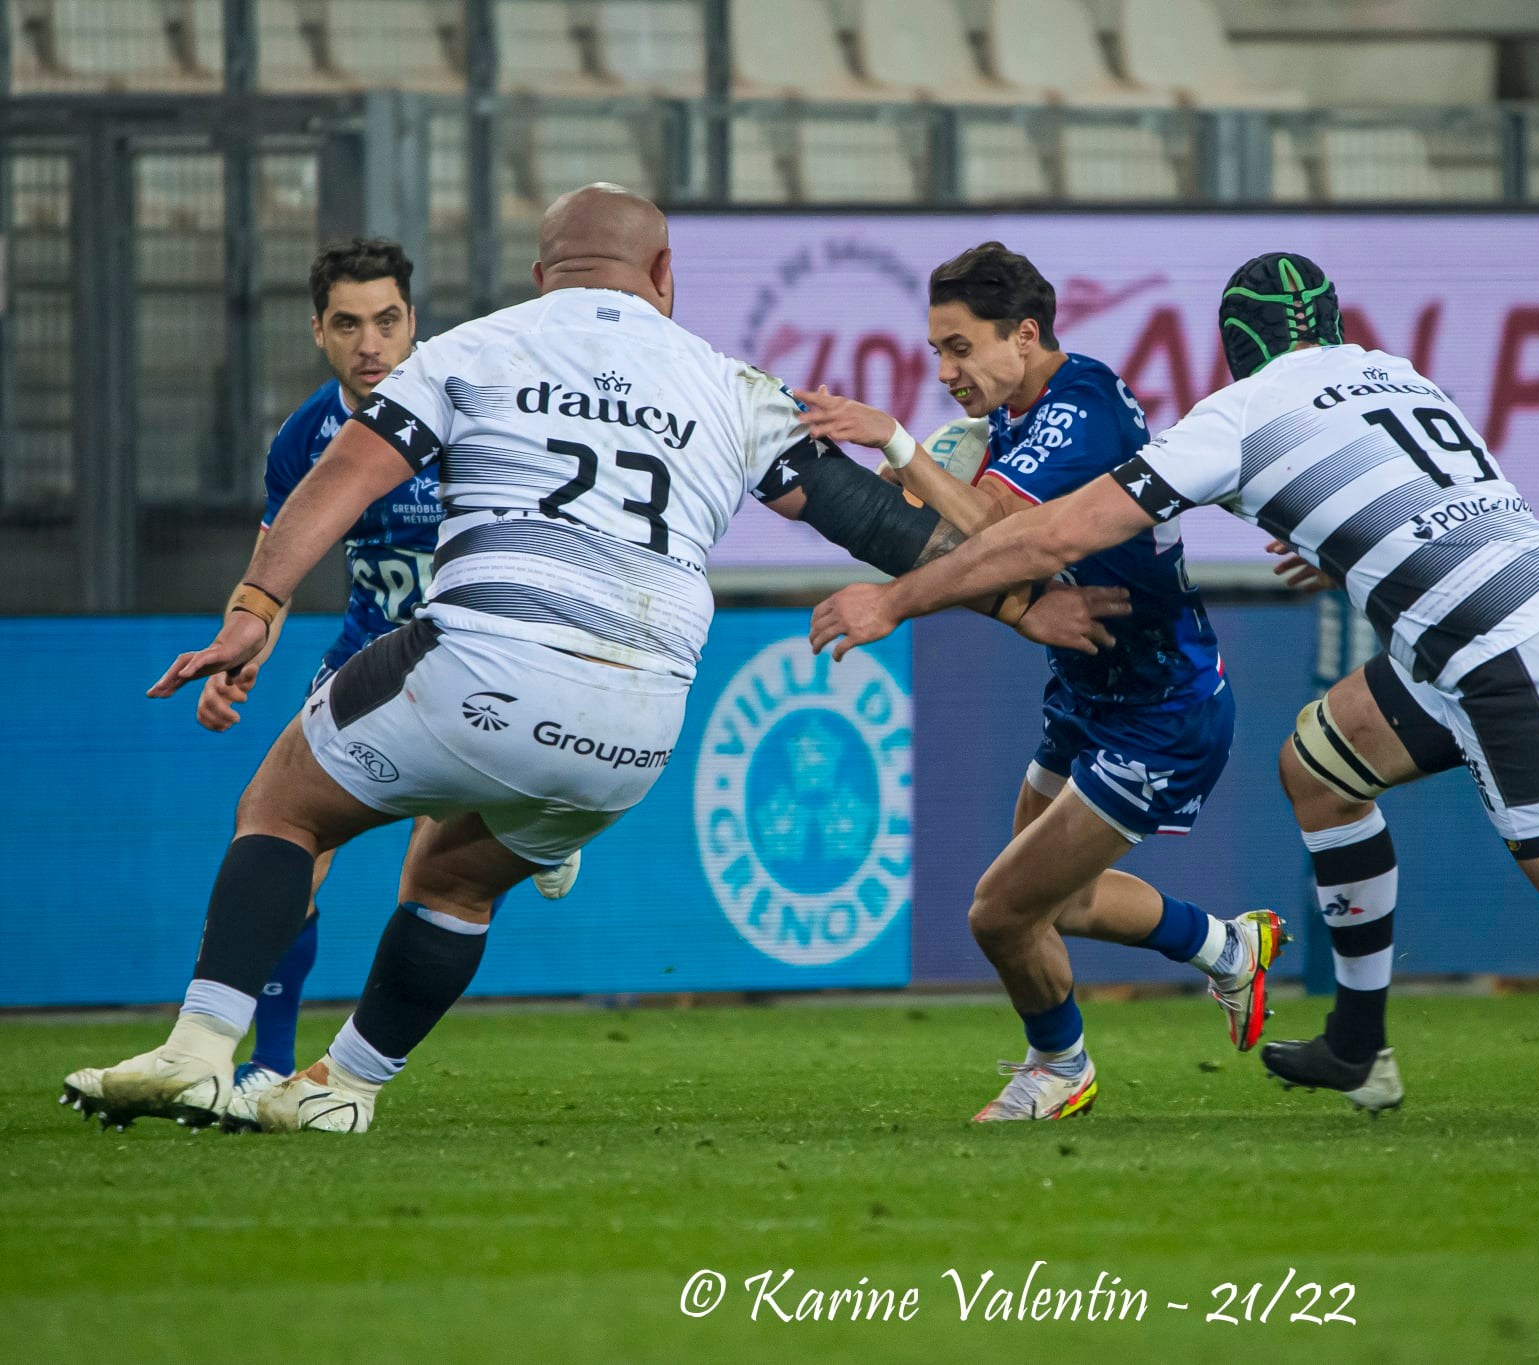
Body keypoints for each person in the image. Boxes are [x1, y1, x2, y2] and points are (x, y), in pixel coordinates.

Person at [809, 251, 1539, 1124]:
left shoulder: (1238, 412)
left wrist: (892, 597)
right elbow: (1441, 501)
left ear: (1237, 351)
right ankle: (1361, 1045)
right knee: (1320, 765)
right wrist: (1335, 541)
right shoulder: (1391, 373)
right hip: (1484, 618)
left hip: (1498, 651)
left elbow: (1047, 534)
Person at [59, 184, 1123, 1136]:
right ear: (665, 277)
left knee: (285, 807)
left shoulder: (479, 346)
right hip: (639, 726)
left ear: (541, 275)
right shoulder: (730, 383)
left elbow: (347, 472)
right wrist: (1021, 606)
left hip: (481, 659)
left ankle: (199, 1054)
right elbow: (885, 533)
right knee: (455, 880)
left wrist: (256, 606)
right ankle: (345, 1087)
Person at [793, 242, 1285, 1123]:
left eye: (959, 347)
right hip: (1085, 692)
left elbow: (1000, 533)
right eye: (936, 351)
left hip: (1159, 708)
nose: (945, 370)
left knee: (999, 913)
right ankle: (1227, 947)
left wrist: (897, 445)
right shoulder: (1018, 418)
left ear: (1023, 334)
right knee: (1051, 901)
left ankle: (1059, 1068)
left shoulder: (1079, 404)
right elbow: (978, 544)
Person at [192, 238, 581, 1125]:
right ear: (319, 333)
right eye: (348, 324)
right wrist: (238, 653)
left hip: (478, 663)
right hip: (367, 661)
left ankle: (543, 823)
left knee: (443, 861)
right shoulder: (306, 439)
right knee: (295, 848)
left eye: (388, 320)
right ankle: (270, 1065)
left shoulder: (474, 409)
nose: (371, 342)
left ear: (414, 322)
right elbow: (275, 566)